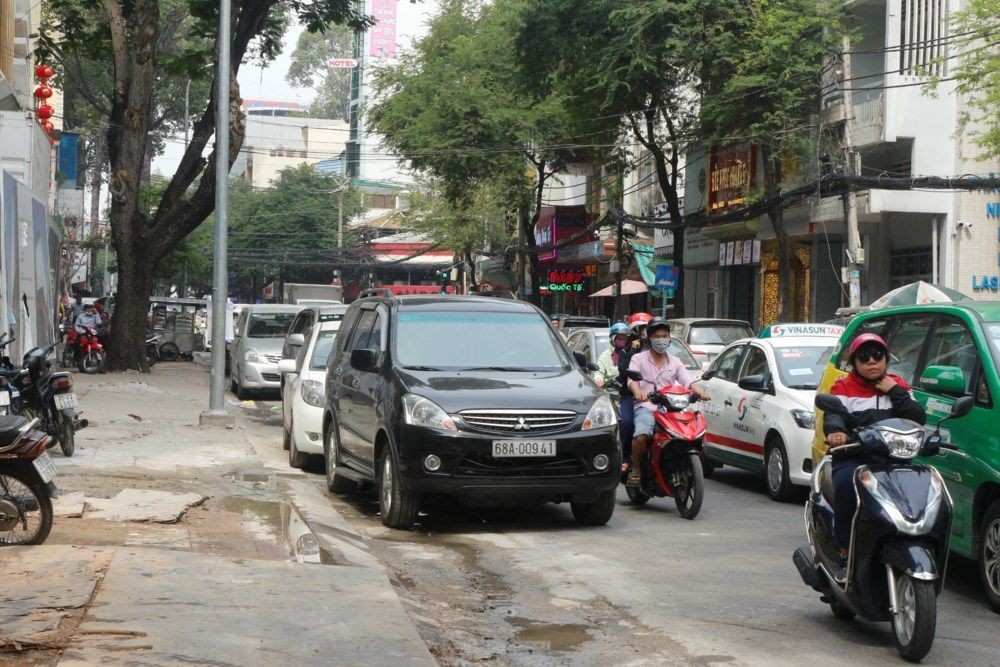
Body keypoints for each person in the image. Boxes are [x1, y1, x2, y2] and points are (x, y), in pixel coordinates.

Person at [822, 333, 926, 582]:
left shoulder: (898, 385)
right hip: (855, 457)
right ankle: (845, 554)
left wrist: (895, 390)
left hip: (895, 459)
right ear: (854, 362)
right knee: (847, 485)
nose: (872, 362)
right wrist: (836, 432)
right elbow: (833, 416)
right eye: (864, 357)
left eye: (878, 356)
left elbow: (917, 418)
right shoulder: (843, 388)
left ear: (886, 359)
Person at [626, 317, 710, 486]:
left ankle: (683, 466)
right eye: (657, 336)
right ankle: (636, 468)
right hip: (646, 406)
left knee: (694, 435)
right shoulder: (639, 359)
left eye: (665, 335)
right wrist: (639, 392)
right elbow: (632, 380)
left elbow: (688, 381)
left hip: (670, 409)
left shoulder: (675, 361)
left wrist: (701, 392)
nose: (662, 339)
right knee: (642, 434)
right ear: (650, 338)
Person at [595, 322, 629, 389]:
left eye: (624, 338)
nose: (621, 340)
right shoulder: (605, 356)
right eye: (619, 338)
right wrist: (599, 380)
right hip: (612, 393)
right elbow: (599, 373)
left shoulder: (632, 353)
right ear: (612, 339)